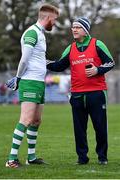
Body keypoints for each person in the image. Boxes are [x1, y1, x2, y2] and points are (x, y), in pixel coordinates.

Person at [47, 17, 114, 165]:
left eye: (77, 27)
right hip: (77, 94)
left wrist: (98, 69)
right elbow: (59, 66)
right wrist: (42, 62)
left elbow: (110, 62)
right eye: (73, 27)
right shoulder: (70, 48)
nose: (74, 29)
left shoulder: (97, 44)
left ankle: (102, 157)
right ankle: (82, 158)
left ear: (85, 30)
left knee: (100, 127)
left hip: (96, 93)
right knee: (79, 129)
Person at [6, 3, 59, 168]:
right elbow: (24, 59)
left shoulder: (41, 34)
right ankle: (11, 159)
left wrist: (57, 63)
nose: (55, 23)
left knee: (36, 120)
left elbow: (38, 59)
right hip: (29, 82)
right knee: (26, 119)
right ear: (47, 18)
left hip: (39, 82)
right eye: (55, 20)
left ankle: (31, 157)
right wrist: (18, 78)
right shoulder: (32, 33)